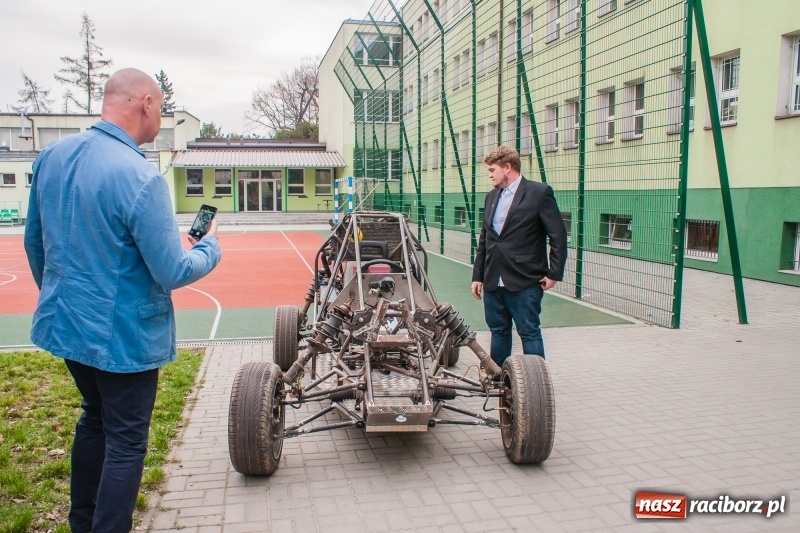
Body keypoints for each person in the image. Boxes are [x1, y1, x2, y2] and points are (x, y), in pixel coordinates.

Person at [24, 68, 221, 533]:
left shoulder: (53, 156)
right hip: (123, 339)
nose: (161, 119)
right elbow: (172, 270)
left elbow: (35, 244)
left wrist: (61, 297)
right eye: (162, 109)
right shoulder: (140, 177)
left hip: (67, 325)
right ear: (146, 104)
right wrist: (210, 246)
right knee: (127, 441)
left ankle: (83, 523)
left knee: (94, 419)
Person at [471, 145, 567, 368]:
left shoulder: (539, 193)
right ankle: (498, 379)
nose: (490, 175)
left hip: (525, 279)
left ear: (507, 167)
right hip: (493, 280)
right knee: (498, 331)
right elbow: (485, 239)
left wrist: (554, 273)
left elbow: (558, 236)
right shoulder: (491, 197)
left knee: (529, 332)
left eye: (492, 170)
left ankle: (536, 381)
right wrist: (478, 276)